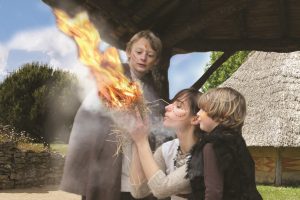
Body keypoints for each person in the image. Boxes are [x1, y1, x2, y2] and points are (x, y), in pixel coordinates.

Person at [60, 30, 163, 200]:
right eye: (138, 52)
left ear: (155, 60)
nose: (143, 58)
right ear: (129, 52)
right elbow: (86, 117)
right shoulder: (110, 80)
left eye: (150, 54)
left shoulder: (155, 92)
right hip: (109, 167)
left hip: (139, 173)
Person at [187, 87, 262, 200]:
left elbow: (213, 193)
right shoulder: (236, 142)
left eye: (202, 110)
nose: (198, 113)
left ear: (221, 113)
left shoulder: (212, 146)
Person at [129, 88, 203, 200]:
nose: (167, 107)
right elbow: (139, 191)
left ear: (195, 119)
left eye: (178, 106)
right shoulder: (168, 149)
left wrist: (142, 142)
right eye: (171, 103)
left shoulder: (204, 155)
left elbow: (160, 189)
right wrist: (136, 140)